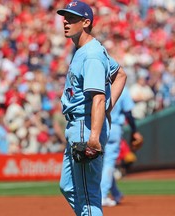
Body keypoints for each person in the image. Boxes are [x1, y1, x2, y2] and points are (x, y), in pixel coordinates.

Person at [56, 1, 127, 215]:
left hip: (85, 127)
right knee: (68, 187)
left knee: (88, 198)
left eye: (72, 18)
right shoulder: (85, 49)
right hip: (78, 125)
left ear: (86, 22)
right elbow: (120, 74)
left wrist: (94, 135)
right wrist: (107, 106)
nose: (65, 21)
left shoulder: (92, 55)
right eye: (65, 17)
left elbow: (98, 97)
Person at [101, 87, 143, 206]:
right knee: (108, 163)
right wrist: (134, 130)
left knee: (103, 163)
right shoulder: (122, 90)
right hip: (114, 127)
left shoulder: (100, 86)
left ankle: (116, 193)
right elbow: (128, 113)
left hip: (98, 127)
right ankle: (102, 196)